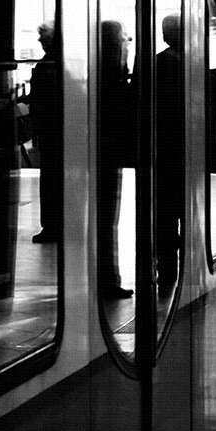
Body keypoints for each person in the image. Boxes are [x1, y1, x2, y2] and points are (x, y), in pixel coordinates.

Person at [98, 19, 133, 296]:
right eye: (124, 38)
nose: (128, 42)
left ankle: (107, 277)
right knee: (106, 219)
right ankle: (107, 279)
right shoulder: (113, 77)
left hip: (102, 154)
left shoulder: (98, 74)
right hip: (107, 156)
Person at [154, 11, 185, 294]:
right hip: (182, 153)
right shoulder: (193, 62)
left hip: (163, 154)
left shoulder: (158, 63)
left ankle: (167, 271)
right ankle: (176, 266)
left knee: (164, 215)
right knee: (181, 211)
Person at [28, 22, 62, 244]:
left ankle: (51, 225)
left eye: (43, 37)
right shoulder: (63, 62)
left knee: (50, 180)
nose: (39, 41)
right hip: (58, 131)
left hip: (51, 132)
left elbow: (39, 101)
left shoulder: (46, 65)